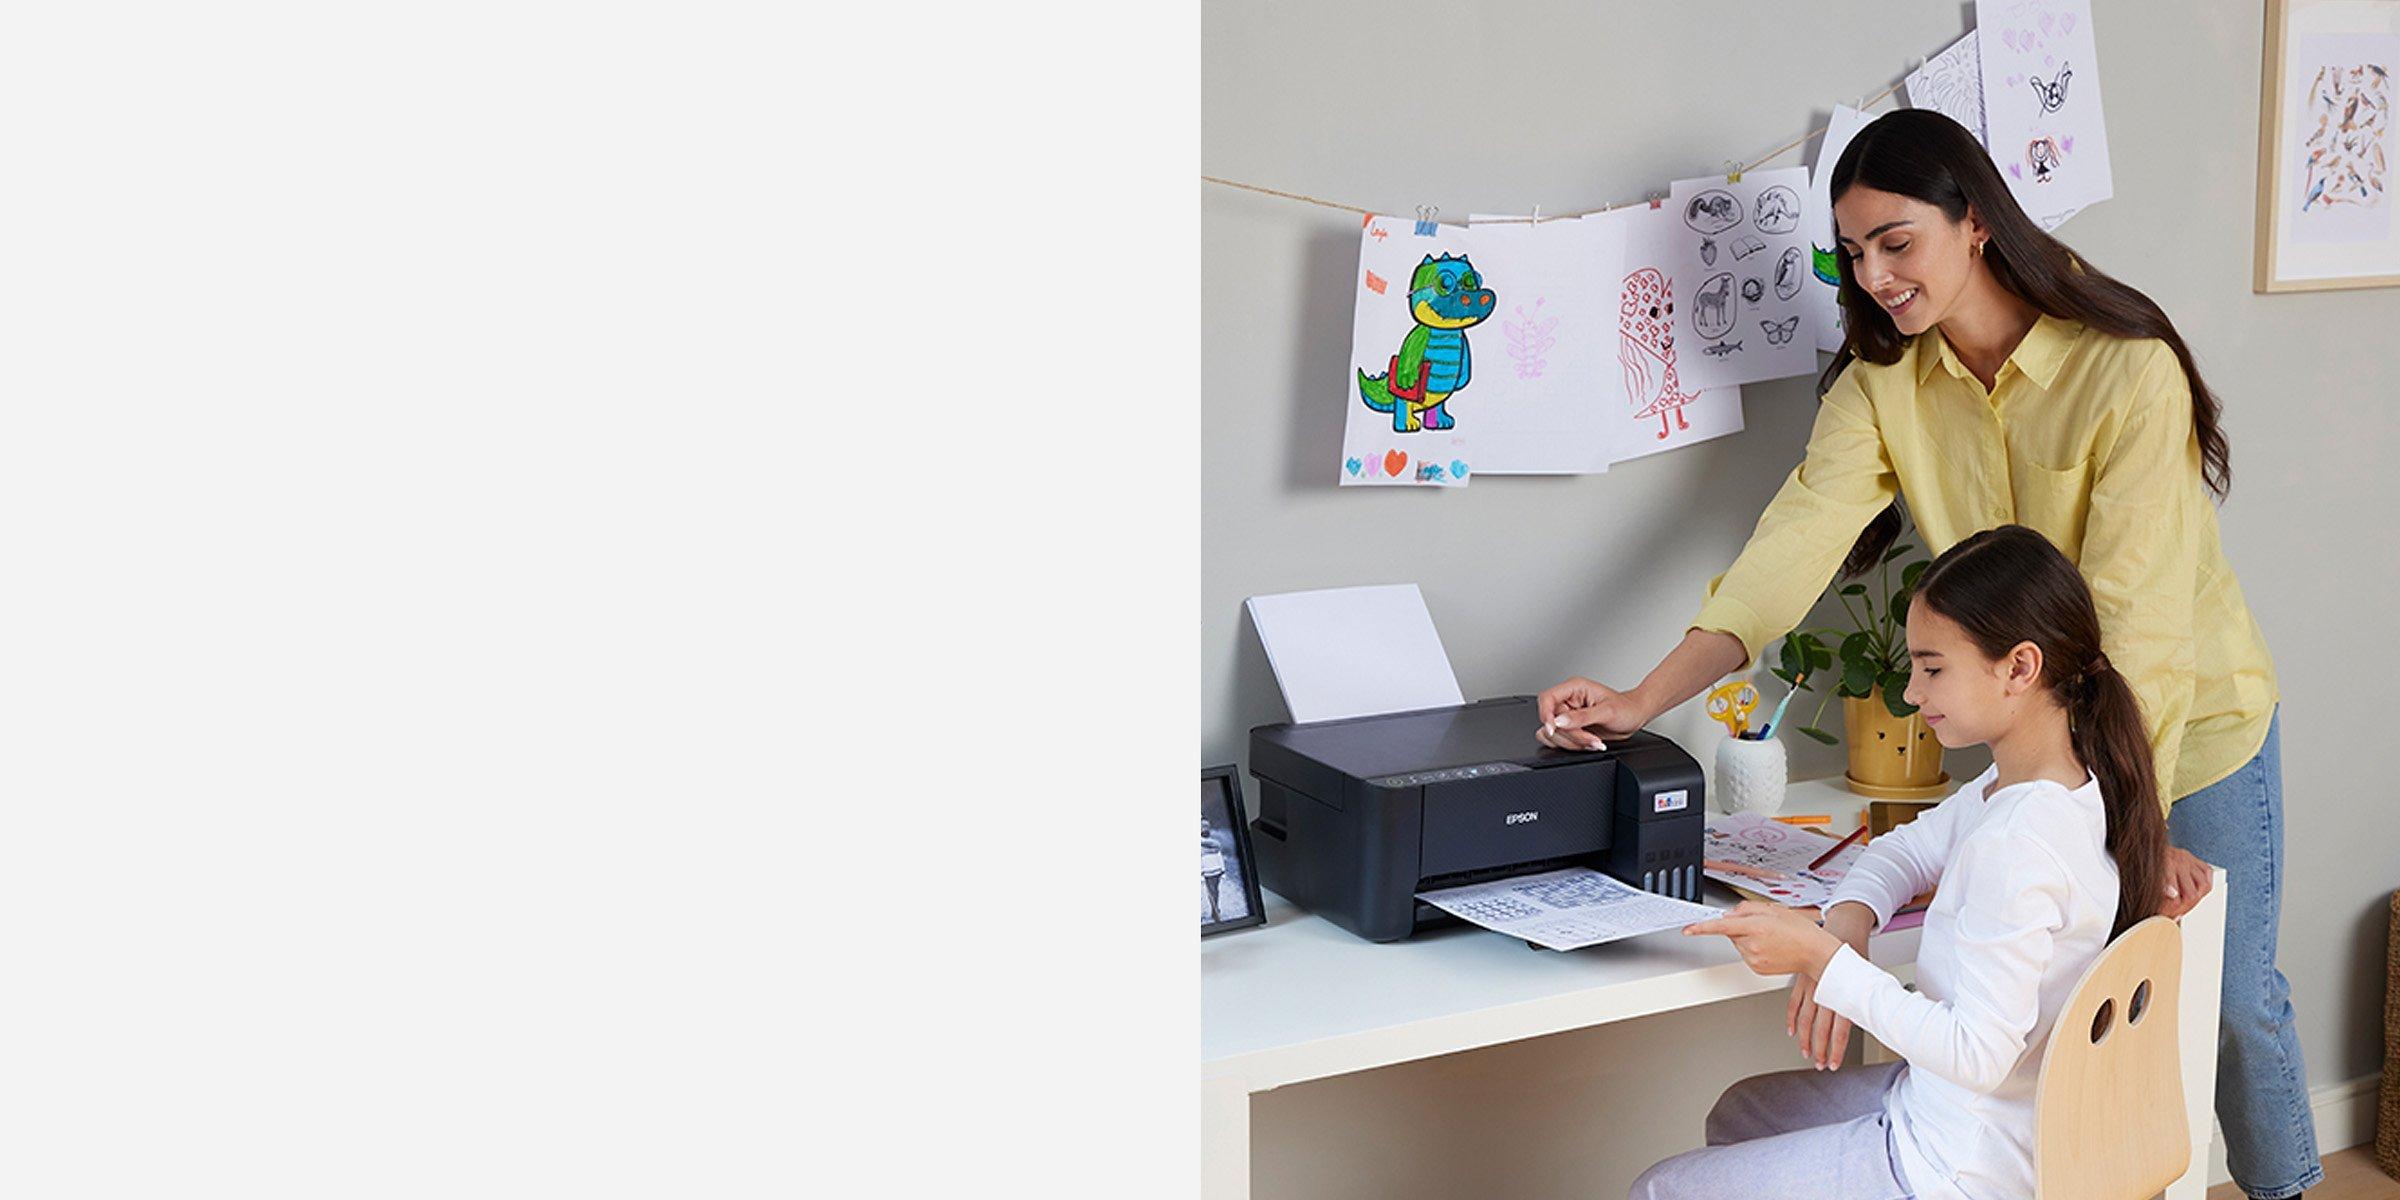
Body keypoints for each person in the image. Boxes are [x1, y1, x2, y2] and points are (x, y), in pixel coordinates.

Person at [1538, 109, 2314, 1200]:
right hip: (2040, 738)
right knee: (2047, 1026)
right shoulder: (1882, 383)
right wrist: (1641, 698)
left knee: (2225, 1007)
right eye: (1854, 254)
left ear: (1977, 223)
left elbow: (2143, 630)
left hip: (2190, 725)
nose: (1877, 276)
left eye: (1898, 242)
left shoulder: (2125, 371)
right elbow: (1786, 555)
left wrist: (2128, 833)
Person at [1639, 524, 2166, 1200]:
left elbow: (1977, 1054)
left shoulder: (2020, 843)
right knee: (1741, 1111)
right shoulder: (2039, 789)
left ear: (2020, 668)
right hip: (1964, 1111)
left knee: (1660, 1191)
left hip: (1961, 1164)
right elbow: (1902, 850)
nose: (1912, 693)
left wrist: (1824, 964)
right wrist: (1847, 922)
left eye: (1933, 668)